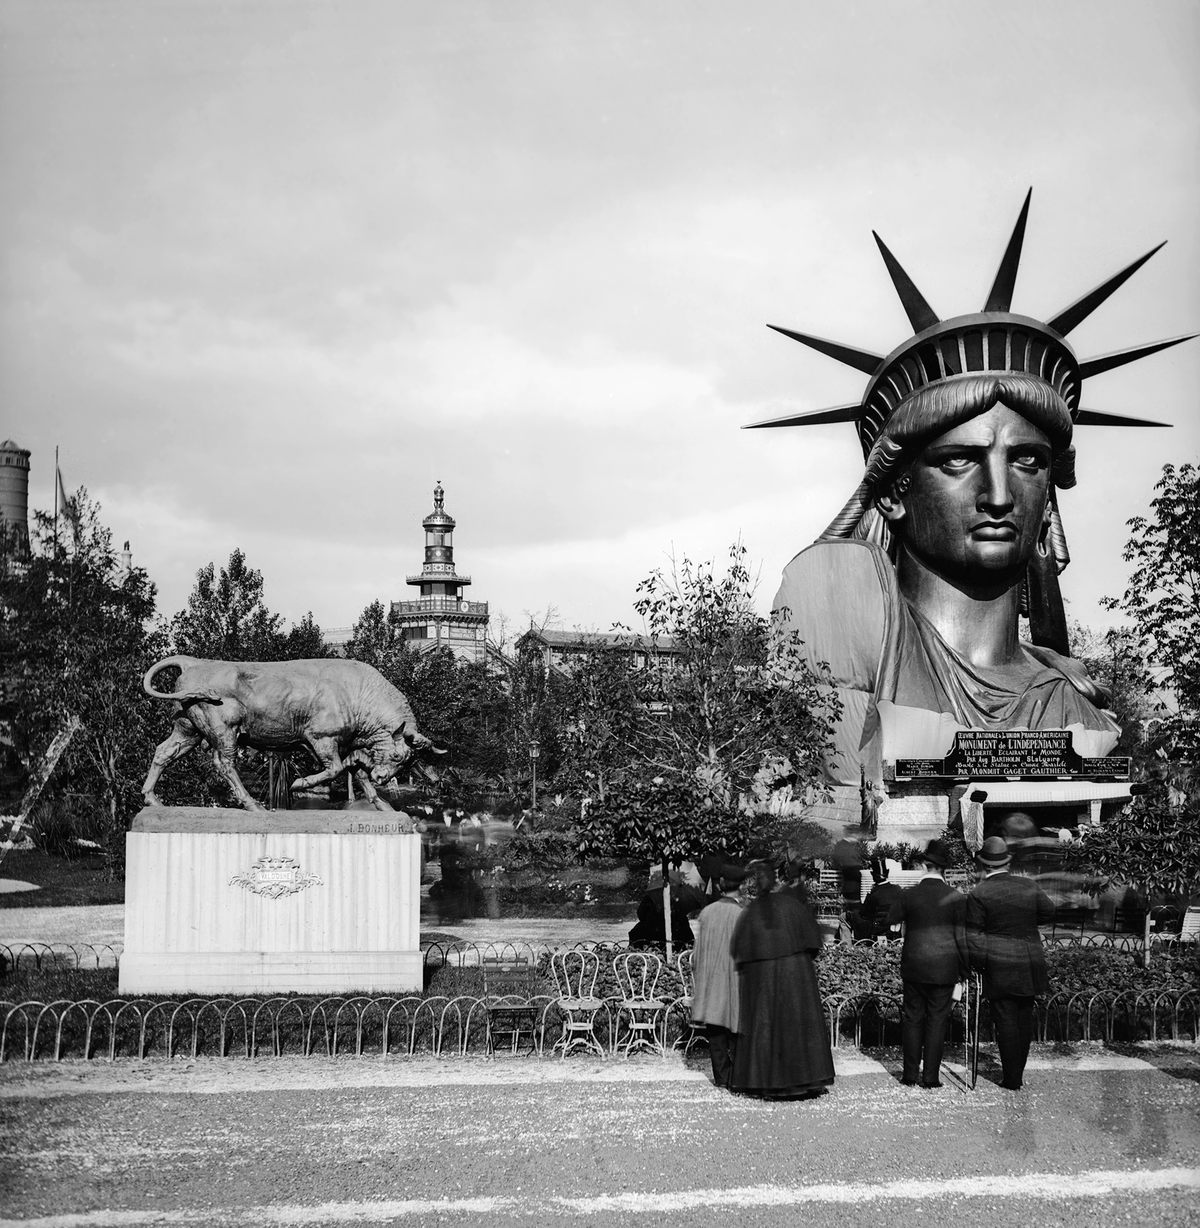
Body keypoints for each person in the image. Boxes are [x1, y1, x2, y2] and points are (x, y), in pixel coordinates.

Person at [758, 200, 1190, 784]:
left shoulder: (1073, 700)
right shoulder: (838, 602)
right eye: (958, 460)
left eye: (1027, 461)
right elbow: (820, 798)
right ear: (892, 493)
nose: (999, 494)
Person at [729, 860, 835, 1100]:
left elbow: (739, 952)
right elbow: (813, 943)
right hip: (796, 976)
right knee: (797, 1025)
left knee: (766, 1026)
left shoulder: (751, 912)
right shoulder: (793, 905)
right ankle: (804, 1080)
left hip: (763, 978)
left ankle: (766, 1080)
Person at [966, 835, 1055, 1090]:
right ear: (1007, 862)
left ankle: (1012, 1078)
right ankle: (1018, 1074)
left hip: (999, 962)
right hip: (1028, 961)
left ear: (984, 865)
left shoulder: (979, 893)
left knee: (1005, 1019)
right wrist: (1025, 923)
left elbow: (974, 936)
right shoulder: (1029, 886)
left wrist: (980, 965)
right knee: (1023, 1018)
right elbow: (1049, 912)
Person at [890, 838, 968, 1088]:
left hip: (914, 965)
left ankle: (909, 1074)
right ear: (944, 869)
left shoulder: (909, 894)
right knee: (937, 1021)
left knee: (913, 1019)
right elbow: (962, 938)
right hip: (944, 968)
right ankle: (931, 1077)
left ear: (924, 865)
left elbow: (890, 919)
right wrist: (964, 971)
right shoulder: (956, 897)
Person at [689, 865, 747, 1089]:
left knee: (716, 1035)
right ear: (741, 886)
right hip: (734, 980)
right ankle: (738, 1077)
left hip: (712, 980)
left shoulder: (707, 913)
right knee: (736, 1031)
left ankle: (721, 1077)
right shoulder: (742, 915)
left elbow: (699, 951)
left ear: (721, 885)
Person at [858, 857, 903, 941]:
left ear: (873, 877)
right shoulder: (898, 889)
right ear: (887, 875)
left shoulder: (874, 894)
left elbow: (864, 914)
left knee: (844, 917)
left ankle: (847, 945)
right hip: (894, 930)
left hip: (877, 930)